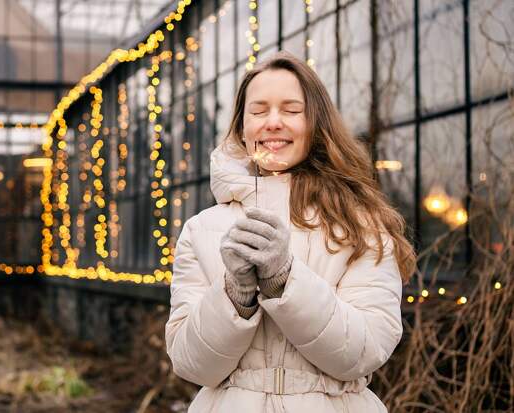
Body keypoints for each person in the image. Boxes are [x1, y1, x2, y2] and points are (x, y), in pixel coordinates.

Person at [165, 50, 416, 412]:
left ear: (316, 124)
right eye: (259, 110)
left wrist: (284, 279)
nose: (273, 122)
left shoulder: (361, 224)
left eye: (292, 110)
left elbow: (365, 351)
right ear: (241, 127)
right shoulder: (202, 229)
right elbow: (191, 363)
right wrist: (235, 294)